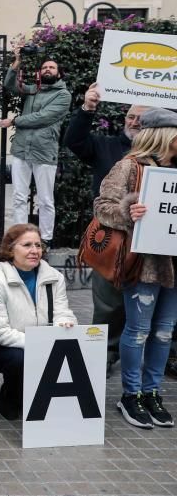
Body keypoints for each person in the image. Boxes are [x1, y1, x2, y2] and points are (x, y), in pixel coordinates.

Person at [93, 108, 177, 429]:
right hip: (143, 264)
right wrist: (130, 210)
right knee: (139, 330)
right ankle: (131, 394)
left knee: (164, 331)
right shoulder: (130, 167)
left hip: (174, 267)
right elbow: (103, 207)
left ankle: (152, 391)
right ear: (165, 135)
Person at [64, 83, 149, 374]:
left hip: (150, 239)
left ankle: (159, 354)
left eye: (141, 118)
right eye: (130, 117)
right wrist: (87, 108)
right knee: (108, 302)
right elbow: (74, 141)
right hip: (111, 239)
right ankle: (105, 352)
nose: (134, 122)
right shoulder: (106, 146)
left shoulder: (166, 156)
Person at [0, 223, 76, 420]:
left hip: (39, 341)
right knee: (19, 360)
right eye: (27, 245)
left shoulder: (55, 277)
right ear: (10, 249)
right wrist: (40, 344)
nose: (34, 251)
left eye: (38, 245)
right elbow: (0, 333)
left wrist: (64, 323)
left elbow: (62, 312)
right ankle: (10, 395)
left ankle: (41, 391)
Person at [0, 52, 71, 246]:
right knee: (18, 197)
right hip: (22, 149)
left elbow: (44, 117)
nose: (48, 69)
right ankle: (20, 236)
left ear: (59, 73)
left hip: (44, 152)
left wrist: (14, 120)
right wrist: (16, 64)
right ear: (40, 72)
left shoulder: (63, 95)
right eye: (45, 67)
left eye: (52, 67)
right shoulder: (34, 90)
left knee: (45, 199)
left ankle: (46, 238)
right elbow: (9, 86)